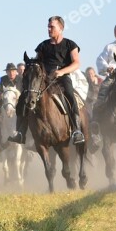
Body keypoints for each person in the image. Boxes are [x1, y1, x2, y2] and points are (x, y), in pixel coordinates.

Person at [8, 16, 85, 145]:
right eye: (48, 27)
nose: (49, 29)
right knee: (24, 98)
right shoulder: (43, 45)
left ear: (61, 28)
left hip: (62, 77)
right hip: (44, 79)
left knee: (71, 96)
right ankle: (21, 132)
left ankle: (76, 131)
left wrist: (61, 71)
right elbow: (38, 62)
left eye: (52, 27)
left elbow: (76, 63)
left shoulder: (70, 44)